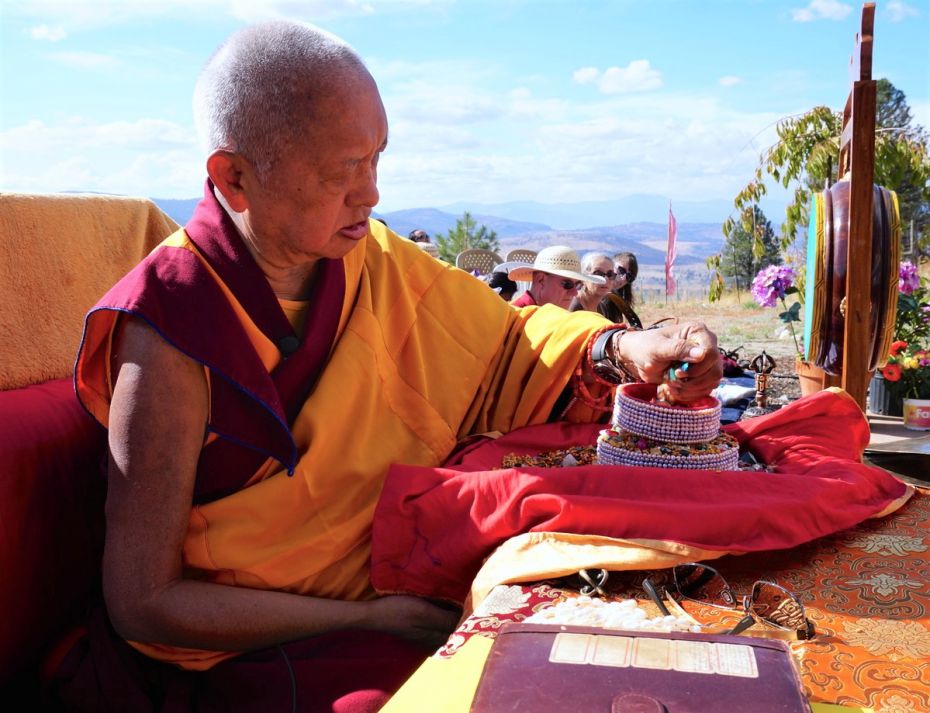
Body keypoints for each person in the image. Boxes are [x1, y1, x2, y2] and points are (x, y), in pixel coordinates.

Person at [60, 20, 722, 712]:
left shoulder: (370, 261)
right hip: (252, 655)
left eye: (377, 159)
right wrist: (366, 619)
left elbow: (506, 347)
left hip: (402, 587)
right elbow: (143, 601)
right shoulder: (170, 330)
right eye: (340, 171)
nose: (371, 193)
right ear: (235, 177)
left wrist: (619, 349)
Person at [507, 245, 604, 309]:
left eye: (578, 285)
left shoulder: (549, 315)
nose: (574, 293)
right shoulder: (517, 317)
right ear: (541, 280)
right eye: (568, 284)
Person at [598, 250, 643, 327]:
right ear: (611, 265)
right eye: (621, 270)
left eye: (629, 277)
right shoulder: (590, 292)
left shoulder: (616, 301)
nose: (623, 279)